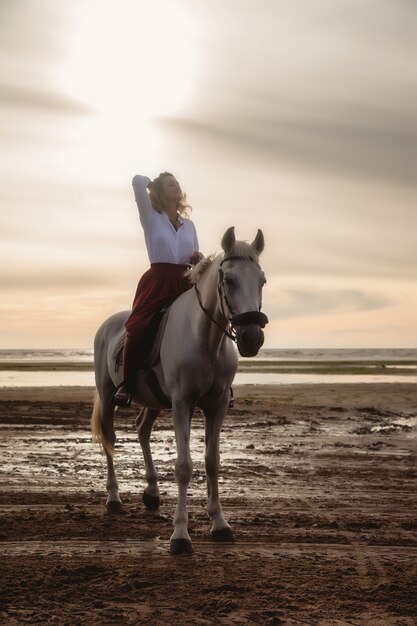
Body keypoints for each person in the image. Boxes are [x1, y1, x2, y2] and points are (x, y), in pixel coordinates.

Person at [113, 172, 202, 407]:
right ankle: (126, 384)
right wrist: (152, 182)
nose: (177, 186)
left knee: (208, 321)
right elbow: (137, 182)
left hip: (185, 280)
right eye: (170, 184)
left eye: (177, 183)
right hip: (158, 280)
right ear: (160, 192)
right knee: (139, 325)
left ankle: (220, 383)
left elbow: (195, 255)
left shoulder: (189, 226)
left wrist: (198, 258)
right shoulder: (151, 216)